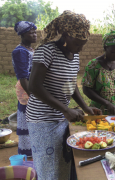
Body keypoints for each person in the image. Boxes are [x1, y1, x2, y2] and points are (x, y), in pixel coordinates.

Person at [26, 10, 101, 179]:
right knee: (49, 169)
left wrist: (85, 107)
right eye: (78, 43)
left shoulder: (73, 56)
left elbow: (71, 84)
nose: (80, 48)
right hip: (42, 120)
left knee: (64, 162)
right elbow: (34, 86)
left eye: (83, 44)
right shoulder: (46, 51)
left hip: (62, 117)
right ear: (66, 35)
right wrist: (65, 109)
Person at [82, 27, 115, 116]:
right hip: (99, 112)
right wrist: (106, 103)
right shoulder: (93, 65)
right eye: (113, 52)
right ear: (105, 48)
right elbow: (86, 89)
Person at [12, 21, 37, 157]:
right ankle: (28, 156)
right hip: (27, 91)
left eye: (35, 32)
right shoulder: (20, 51)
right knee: (28, 121)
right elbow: (23, 77)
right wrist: (33, 97)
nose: (34, 35)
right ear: (22, 34)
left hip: (32, 89)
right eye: (31, 32)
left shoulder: (30, 50)